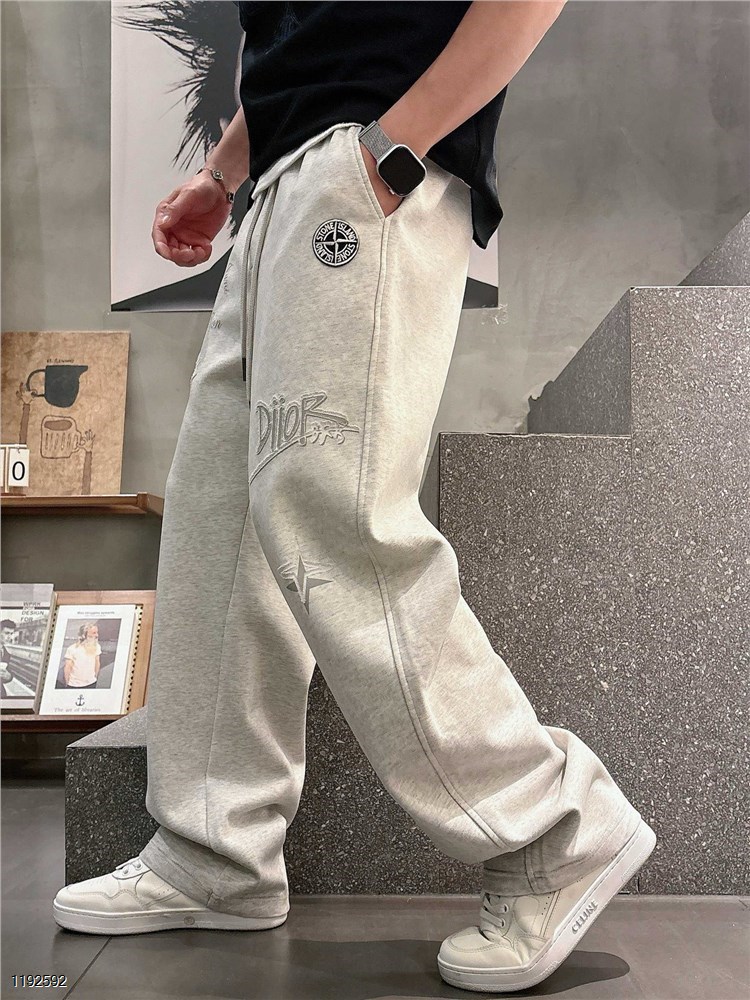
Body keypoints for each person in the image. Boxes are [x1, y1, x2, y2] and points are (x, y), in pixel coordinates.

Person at [53, 2, 656, 991]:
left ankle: (554, 825)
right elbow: (298, 33)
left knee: (332, 509)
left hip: (368, 165)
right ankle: (216, 851)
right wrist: (224, 175)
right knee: (221, 521)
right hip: (286, 187)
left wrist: (394, 150)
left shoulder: (382, 154)